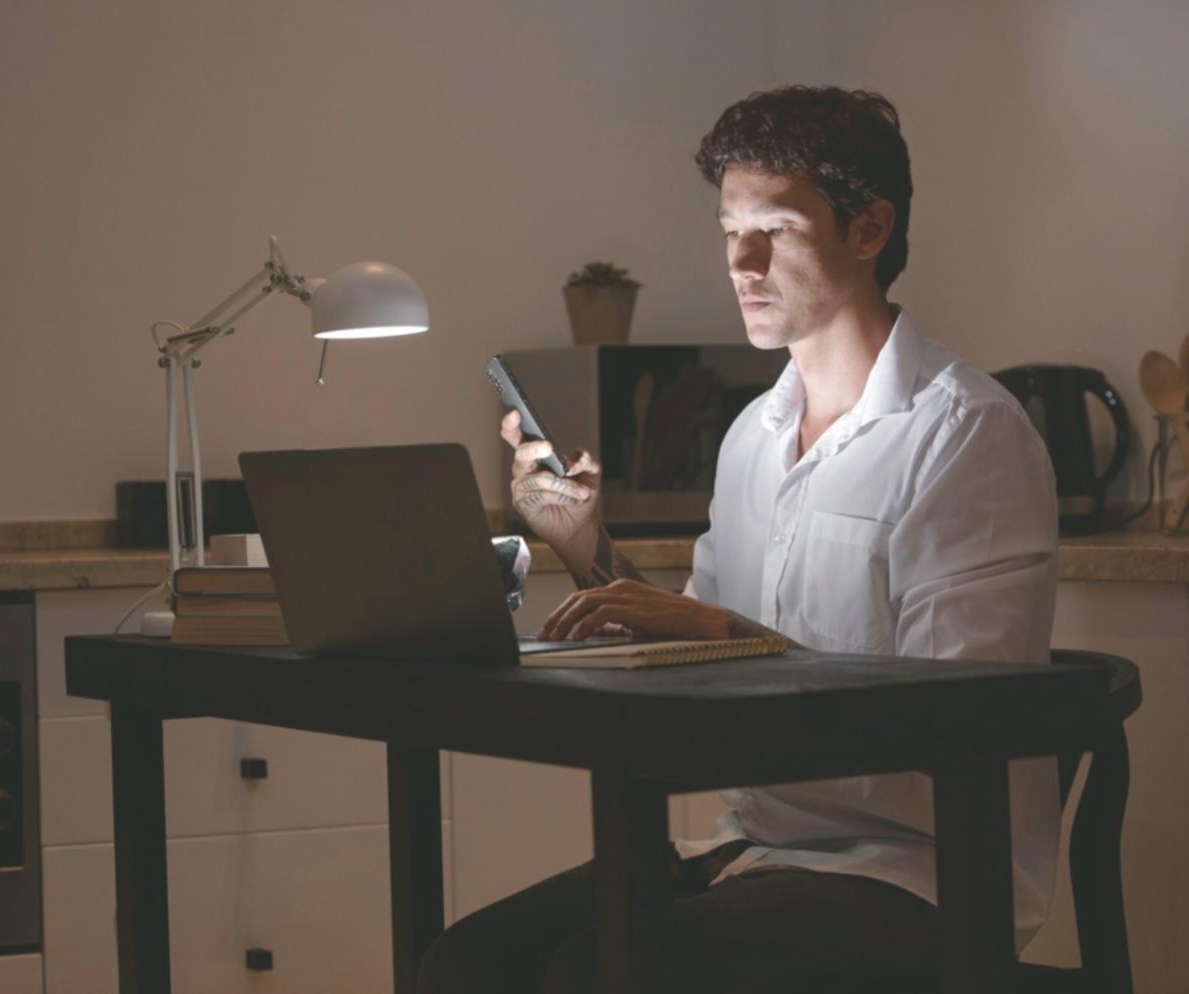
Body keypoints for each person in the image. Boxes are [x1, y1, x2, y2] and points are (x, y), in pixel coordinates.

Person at [417, 86, 1060, 993]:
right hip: (752, 851)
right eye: (730, 231)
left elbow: (956, 722)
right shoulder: (753, 435)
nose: (742, 263)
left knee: (600, 973)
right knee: (468, 963)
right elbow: (690, 647)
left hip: (919, 878)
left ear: (869, 229)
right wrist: (584, 545)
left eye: (776, 231)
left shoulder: (965, 434)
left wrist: (727, 634)